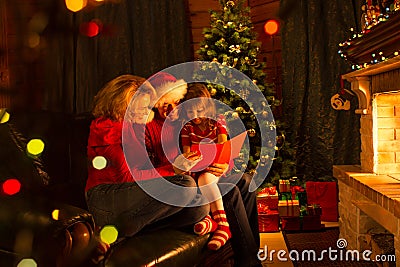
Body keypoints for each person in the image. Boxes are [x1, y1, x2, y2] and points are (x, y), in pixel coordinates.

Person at [145, 73, 262, 267]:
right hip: (187, 179)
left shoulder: (186, 120)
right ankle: (249, 263)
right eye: (166, 104)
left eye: (176, 103)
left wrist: (225, 165)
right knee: (230, 192)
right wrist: (176, 168)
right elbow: (153, 168)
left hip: (206, 171)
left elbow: (218, 148)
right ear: (157, 104)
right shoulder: (152, 128)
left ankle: (252, 252)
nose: (173, 109)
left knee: (246, 181)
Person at [84, 74, 209, 240]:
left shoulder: (135, 125)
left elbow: (144, 171)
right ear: (122, 104)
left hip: (132, 196)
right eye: (141, 107)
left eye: (147, 106)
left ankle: (134, 229)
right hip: (105, 196)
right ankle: (112, 234)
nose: (146, 111)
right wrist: (172, 170)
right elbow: (127, 176)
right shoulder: (106, 128)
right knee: (186, 185)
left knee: (199, 207)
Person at [179, 83, 231, 251]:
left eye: (199, 111)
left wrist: (217, 161)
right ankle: (209, 220)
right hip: (196, 168)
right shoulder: (187, 127)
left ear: (208, 107)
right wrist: (190, 162)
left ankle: (223, 225)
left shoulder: (217, 122)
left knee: (206, 178)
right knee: (190, 181)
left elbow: (223, 146)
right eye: (190, 112)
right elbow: (186, 154)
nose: (195, 116)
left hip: (214, 167)